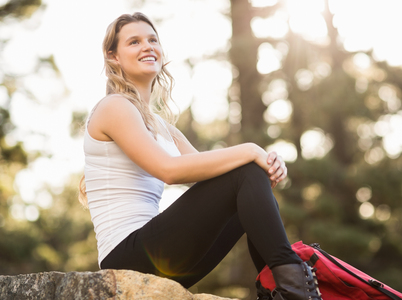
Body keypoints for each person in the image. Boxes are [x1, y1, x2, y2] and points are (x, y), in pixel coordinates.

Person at [79, 12, 321, 300]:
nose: (147, 46)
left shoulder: (163, 128)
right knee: (246, 169)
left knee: (249, 180)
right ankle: (296, 289)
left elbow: (216, 179)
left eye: (152, 39)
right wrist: (251, 151)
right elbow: (169, 170)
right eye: (134, 42)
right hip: (125, 258)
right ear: (114, 57)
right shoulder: (114, 107)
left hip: (160, 257)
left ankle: (278, 290)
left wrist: (266, 165)